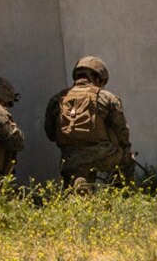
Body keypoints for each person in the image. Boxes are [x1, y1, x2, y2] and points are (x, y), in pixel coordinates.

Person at [44, 56, 134, 188]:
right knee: (127, 160)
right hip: (102, 154)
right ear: (98, 78)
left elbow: (51, 134)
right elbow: (122, 132)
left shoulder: (58, 99)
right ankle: (121, 195)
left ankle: (79, 187)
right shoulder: (107, 98)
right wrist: (125, 148)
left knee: (73, 186)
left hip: (70, 158)